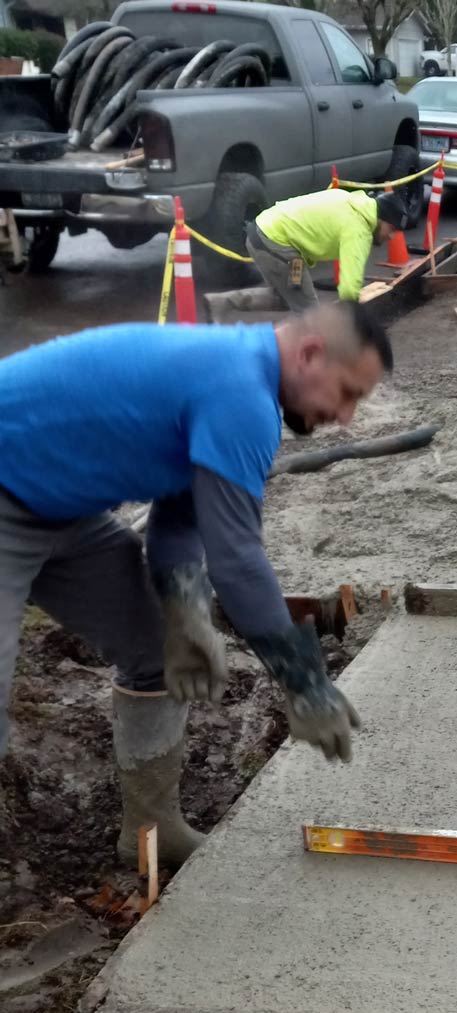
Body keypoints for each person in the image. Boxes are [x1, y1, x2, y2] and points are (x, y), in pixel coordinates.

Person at [0, 301, 392, 867]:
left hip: (61, 512)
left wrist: (184, 613)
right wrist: (304, 683)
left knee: (155, 648)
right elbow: (237, 560)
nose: (348, 417)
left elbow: (181, 515)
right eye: (349, 392)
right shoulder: (241, 393)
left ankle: (149, 833)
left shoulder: (236, 374)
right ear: (310, 354)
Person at [204, 189, 408, 322]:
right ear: (381, 218)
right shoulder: (359, 228)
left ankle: (222, 303)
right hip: (277, 244)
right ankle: (316, 362)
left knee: (287, 296)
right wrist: (358, 325)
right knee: (311, 314)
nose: (390, 236)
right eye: (391, 229)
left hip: (263, 234)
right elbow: (349, 286)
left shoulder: (351, 202)